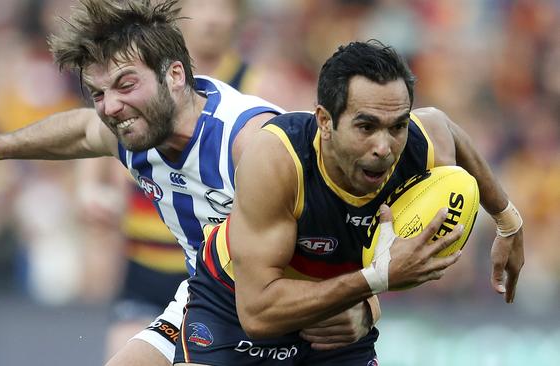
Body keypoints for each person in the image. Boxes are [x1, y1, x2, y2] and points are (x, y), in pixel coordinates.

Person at [0, 1, 378, 365]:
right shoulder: (136, 128)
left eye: (125, 84)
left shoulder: (249, 141)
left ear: (175, 74)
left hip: (297, 315)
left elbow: (356, 211)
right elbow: (81, 131)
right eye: (99, 93)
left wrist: (369, 306)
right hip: (210, 299)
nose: (111, 106)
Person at [174, 41, 525, 365]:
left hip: (337, 325)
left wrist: (508, 220)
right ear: (325, 121)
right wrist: (374, 282)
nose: (384, 147)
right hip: (232, 308)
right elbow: (257, 314)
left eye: (397, 126)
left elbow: (445, 127)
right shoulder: (278, 159)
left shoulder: (417, 146)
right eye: (366, 127)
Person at [73, 0, 284, 359]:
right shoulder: (138, 85)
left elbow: (290, 155)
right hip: (146, 259)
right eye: (203, 7)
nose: (213, 19)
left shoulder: (257, 85)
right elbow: (93, 135)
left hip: (218, 265)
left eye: (223, 9)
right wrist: (90, 188)